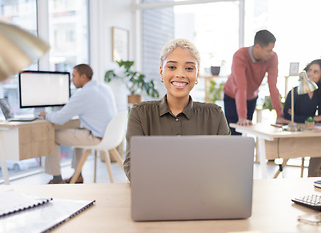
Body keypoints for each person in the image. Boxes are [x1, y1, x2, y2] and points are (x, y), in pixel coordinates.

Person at [123, 39, 231, 181]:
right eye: (172, 67)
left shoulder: (215, 115)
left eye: (189, 68)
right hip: (156, 198)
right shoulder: (140, 114)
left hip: (203, 198)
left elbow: (227, 166)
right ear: (162, 72)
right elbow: (133, 167)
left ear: (197, 75)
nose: (180, 74)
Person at [39, 64, 117, 184]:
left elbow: (59, 119)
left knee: (52, 136)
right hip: (111, 136)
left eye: (74, 76)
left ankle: (57, 179)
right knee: (79, 128)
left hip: (97, 137)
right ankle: (78, 175)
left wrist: (46, 115)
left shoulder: (84, 93)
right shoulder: (104, 87)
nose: (71, 79)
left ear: (83, 77)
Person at [223, 29, 287, 135]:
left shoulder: (272, 57)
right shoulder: (240, 55)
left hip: (251, 97)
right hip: (233, 96)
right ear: (257, 47)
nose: (271, 53)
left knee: (245, 130)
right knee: (233, 133)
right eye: (268, 50)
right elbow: (241, 86)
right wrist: (242, 117)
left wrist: (279, 115)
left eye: (272, 50)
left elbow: (273, 86)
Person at [283, 59, 321, 177]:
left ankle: (319, 175)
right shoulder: (295, 92)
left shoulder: (320, 94)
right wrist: (313, 118)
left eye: (315, 72)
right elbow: (287, 117)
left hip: (311, 131)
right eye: (310, 70)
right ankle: (313, 176)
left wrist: (307, 118)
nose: (310, 74)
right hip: (297, 133)